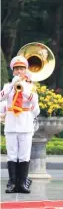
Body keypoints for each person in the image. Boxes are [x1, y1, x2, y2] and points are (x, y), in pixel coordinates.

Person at [0, 56, 40, 194]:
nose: (19, 71)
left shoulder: (31, 87)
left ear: (25, 71)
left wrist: (23, 89)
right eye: (16, 69)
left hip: (25, 124)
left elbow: (36, 107)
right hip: (11, 124)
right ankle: (12, 183)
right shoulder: (8, 86)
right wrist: (12, 85)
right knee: (12, 154)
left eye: (21, 69)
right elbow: (1, 97)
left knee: (24, 155)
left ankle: (22, 183)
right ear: (13, 71)